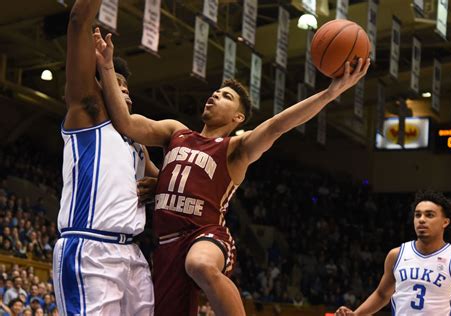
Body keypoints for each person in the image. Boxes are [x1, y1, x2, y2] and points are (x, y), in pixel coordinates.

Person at [94, 28, 369, 316]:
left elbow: (278, 125)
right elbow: (125, 122)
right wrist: (106, 66)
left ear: (238, 118)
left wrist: (330, 93)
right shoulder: (176, 132)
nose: (214, 96)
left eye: (225, 96)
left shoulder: (235, 148)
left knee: (198, 263)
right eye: (215, 92)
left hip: (206, 235)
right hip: (166, 246)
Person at [52, 0, 159, 315]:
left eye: (126, 87)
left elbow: (174, 183)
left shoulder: (138, 147)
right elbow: (77, 20)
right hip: (91, 248)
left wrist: (159, 186)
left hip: (133, 254)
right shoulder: (87, 115)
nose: (124, 91)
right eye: (115, 83)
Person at [336, 190, 451, 316]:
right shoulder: (396, 255)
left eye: (429, 215)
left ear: (445, 222)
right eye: (417, 214)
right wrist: (356, 314)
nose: (422, 219)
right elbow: (382, 295)